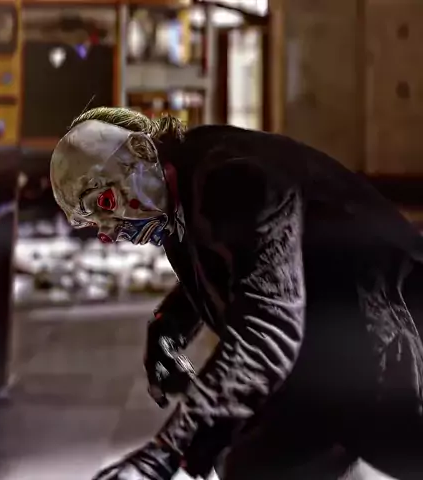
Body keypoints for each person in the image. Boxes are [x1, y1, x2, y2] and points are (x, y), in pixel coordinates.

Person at [49, 107, 423, 480]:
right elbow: (237, 258)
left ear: (142, 150)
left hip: (388, 332)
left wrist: (163, 454)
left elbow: (267, 330)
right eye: (92, 223)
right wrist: (171, 323)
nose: (108, 232)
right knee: (247, 455)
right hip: (338, 333)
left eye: (105, 203)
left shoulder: (234, 178)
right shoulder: (175, 187)